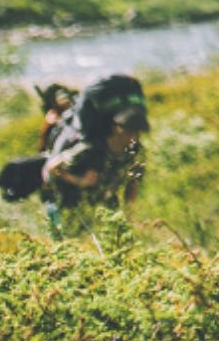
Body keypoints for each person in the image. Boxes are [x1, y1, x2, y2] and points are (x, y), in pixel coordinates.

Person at [40, 95, 148, 237]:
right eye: (129, 131)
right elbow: (51, 168)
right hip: (71, 209)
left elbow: (133, 183)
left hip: (104, 209)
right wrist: (80, 181)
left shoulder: (135, 152)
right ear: (117, 128)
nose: (134, 136)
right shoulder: (89, 149)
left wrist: (129, 215)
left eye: (137, 132)